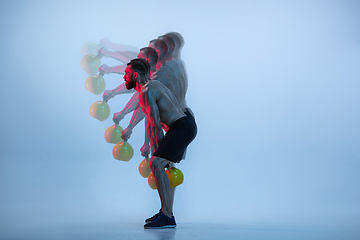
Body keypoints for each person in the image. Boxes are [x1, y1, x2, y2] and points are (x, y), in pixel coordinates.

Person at [124, 59, 197, 229]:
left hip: (182, 127)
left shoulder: (146, 92)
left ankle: (166, 216)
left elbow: (156, 125)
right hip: (183, 124)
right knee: (161, 164)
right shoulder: (150, 87)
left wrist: (157, 155)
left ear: (135, 75)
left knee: (157, 163)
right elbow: (151, 125)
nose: (124, 78)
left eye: (126, 75)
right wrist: (155, 150)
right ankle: (167, 213)